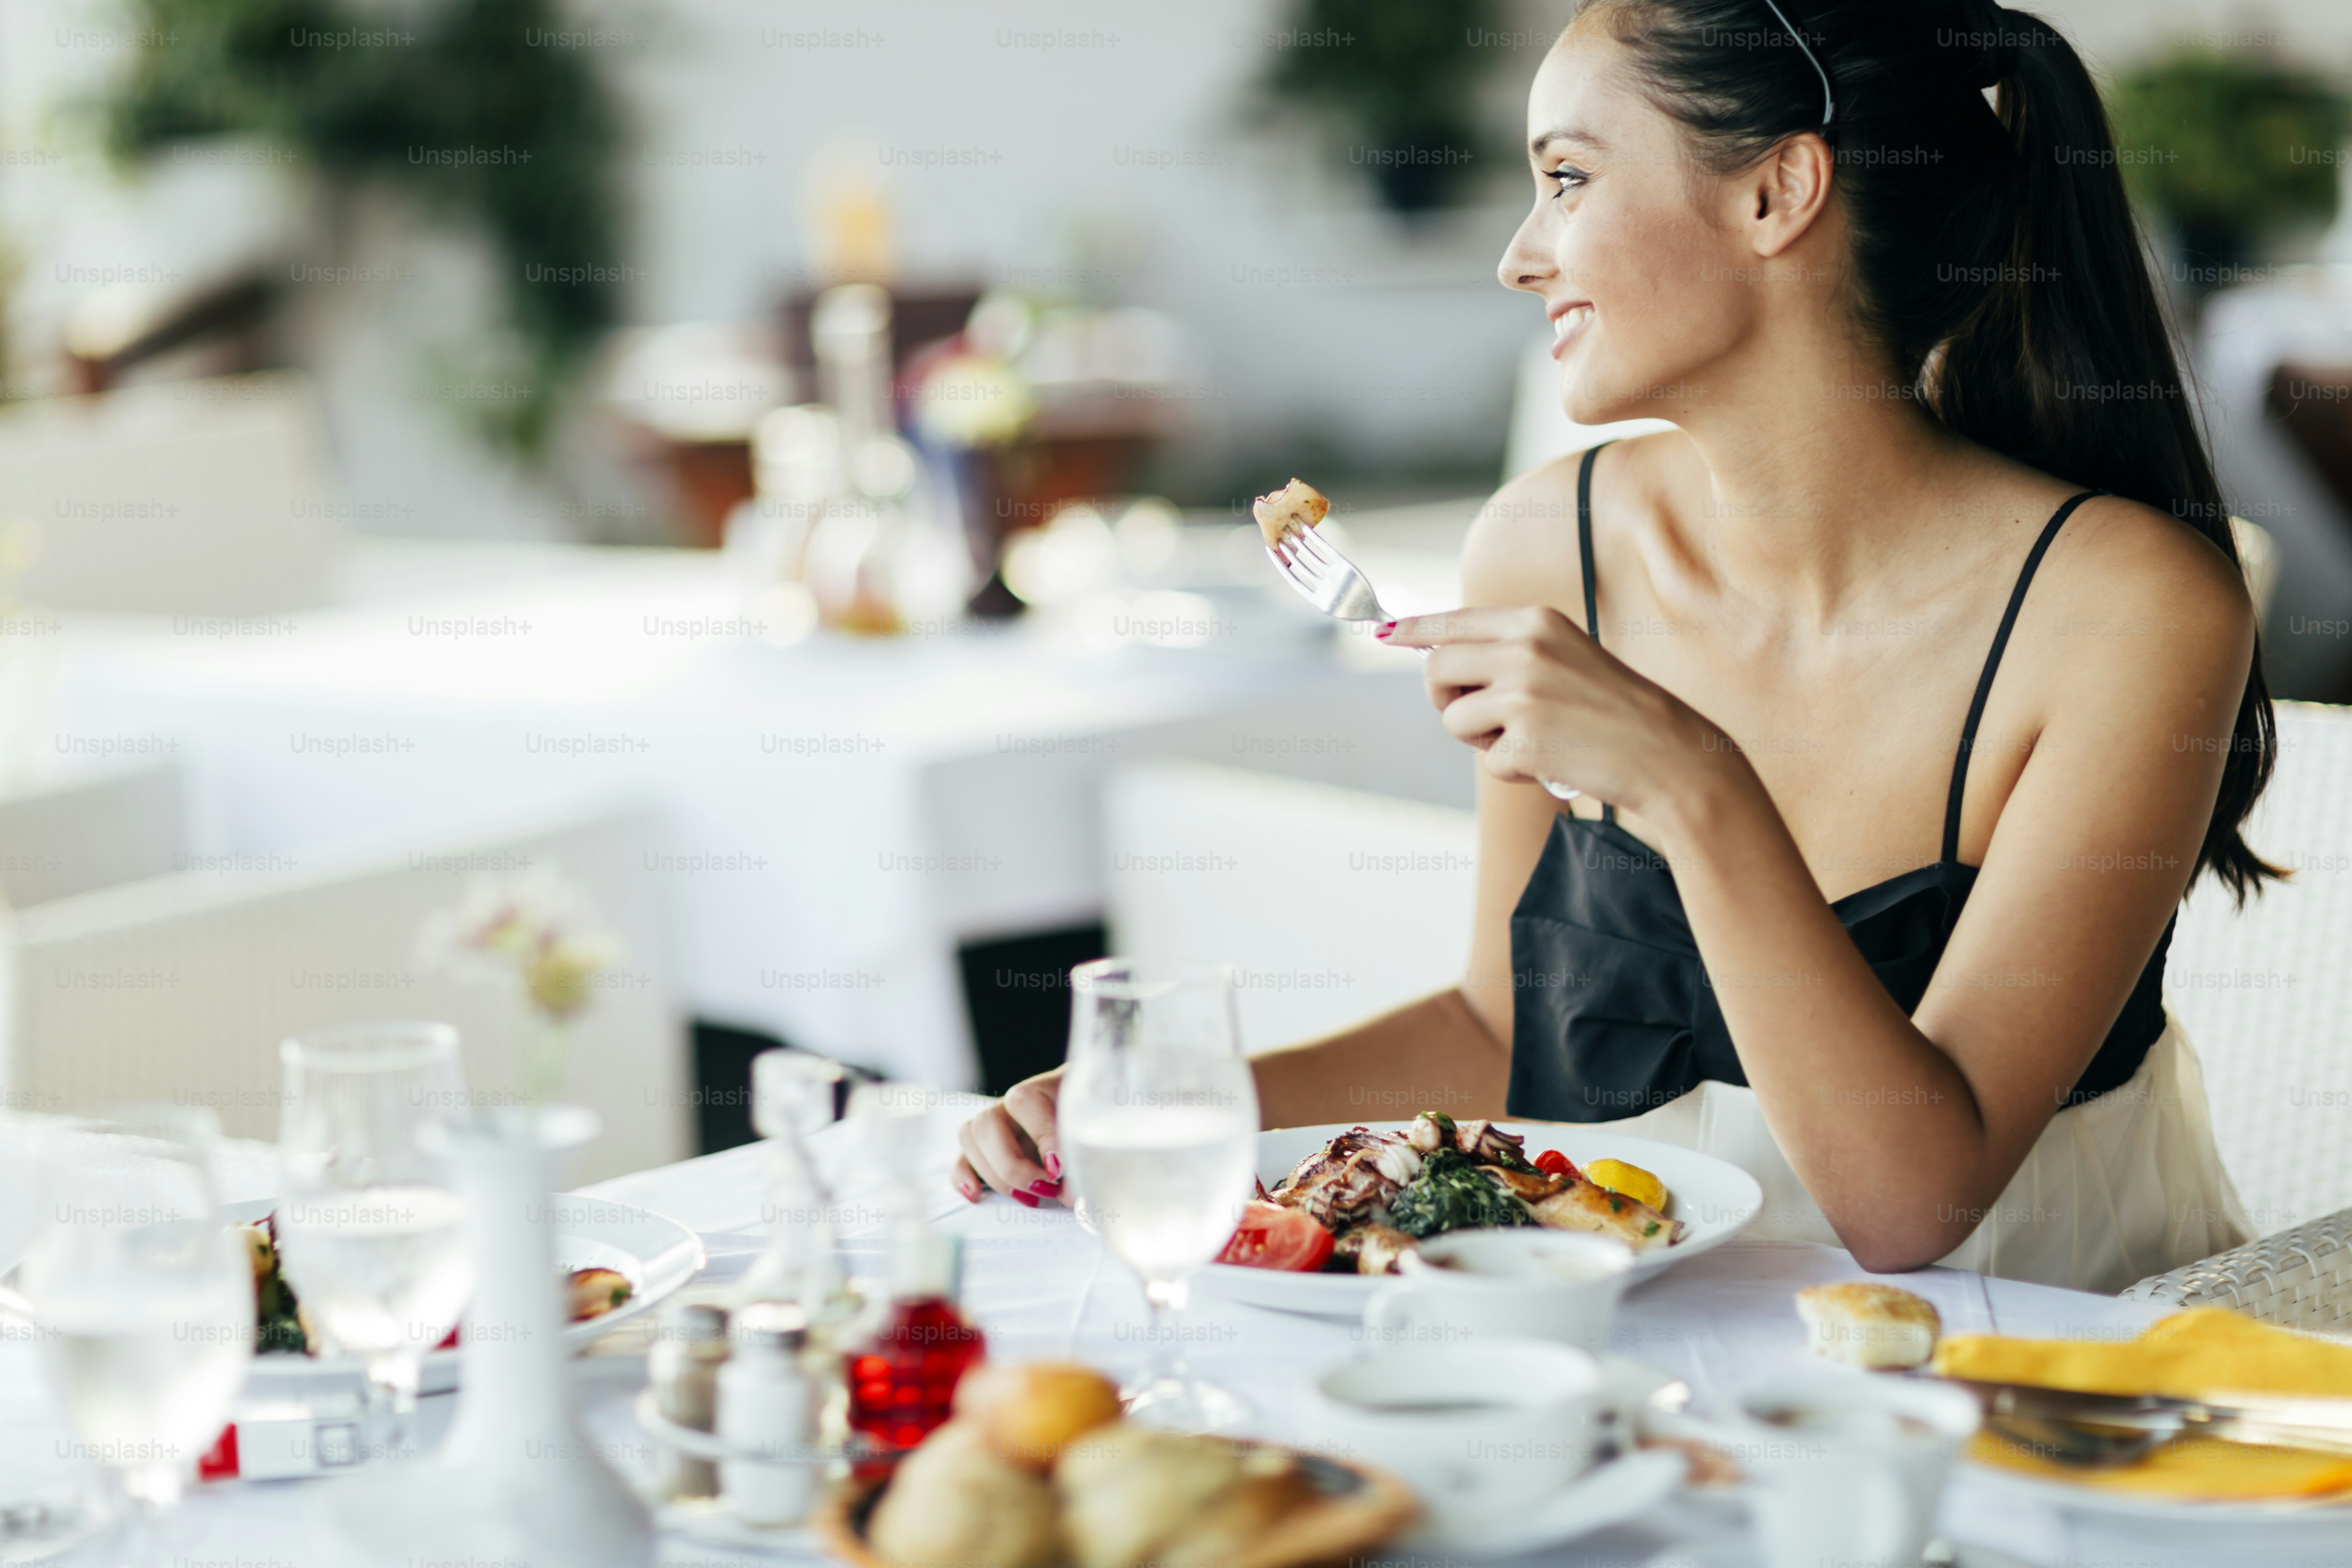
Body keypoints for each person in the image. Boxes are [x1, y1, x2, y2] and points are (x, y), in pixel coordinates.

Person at [955, 0, 2270, 1294]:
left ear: (1778, 195)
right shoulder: (1545, 548)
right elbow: (1501, 1025)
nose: (1521, 257)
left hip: (2036, 1376)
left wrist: (1687, 782)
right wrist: (1161, 1112)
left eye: (1568, 179)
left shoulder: (2131, 613)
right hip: (1656, 1325)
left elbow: (1911, 1205)